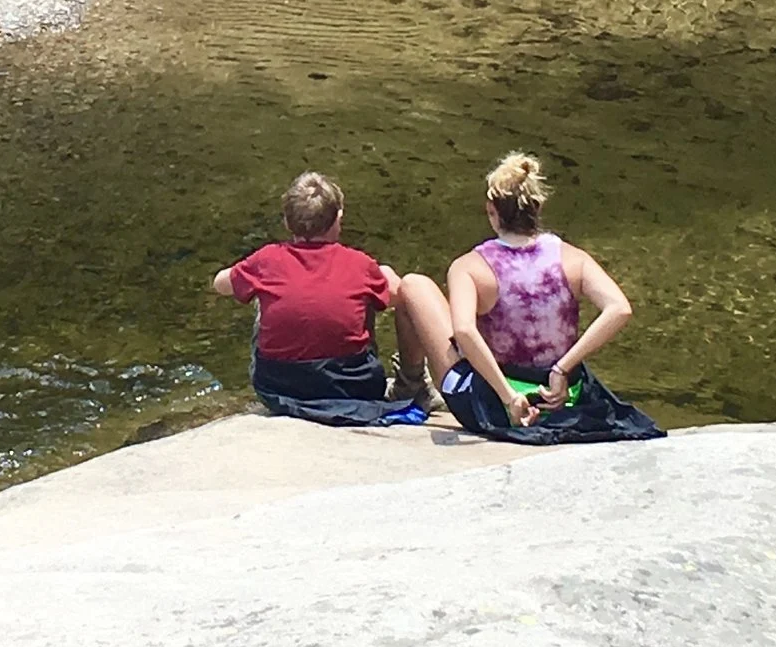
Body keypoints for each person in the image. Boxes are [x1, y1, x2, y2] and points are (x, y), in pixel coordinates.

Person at [420, 151, 664, 447]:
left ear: (491, 211)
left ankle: (410, 388)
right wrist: (562, 368)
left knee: (415, 287)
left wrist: (509, 398)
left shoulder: (469, 267)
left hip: (500, 405)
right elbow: (619, 309)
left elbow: (464, 331)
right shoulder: (573, 258)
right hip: (564, 401)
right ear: (538, 207)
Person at [215, 172, 431, 428]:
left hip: (279, 388)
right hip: (355, 386)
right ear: (338, 218)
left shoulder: (267, 259)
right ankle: (411, 383)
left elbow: (221, 284)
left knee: (262, 292)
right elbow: (402, 295)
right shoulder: (360, 264)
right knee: (385, 292)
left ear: (287, 221)